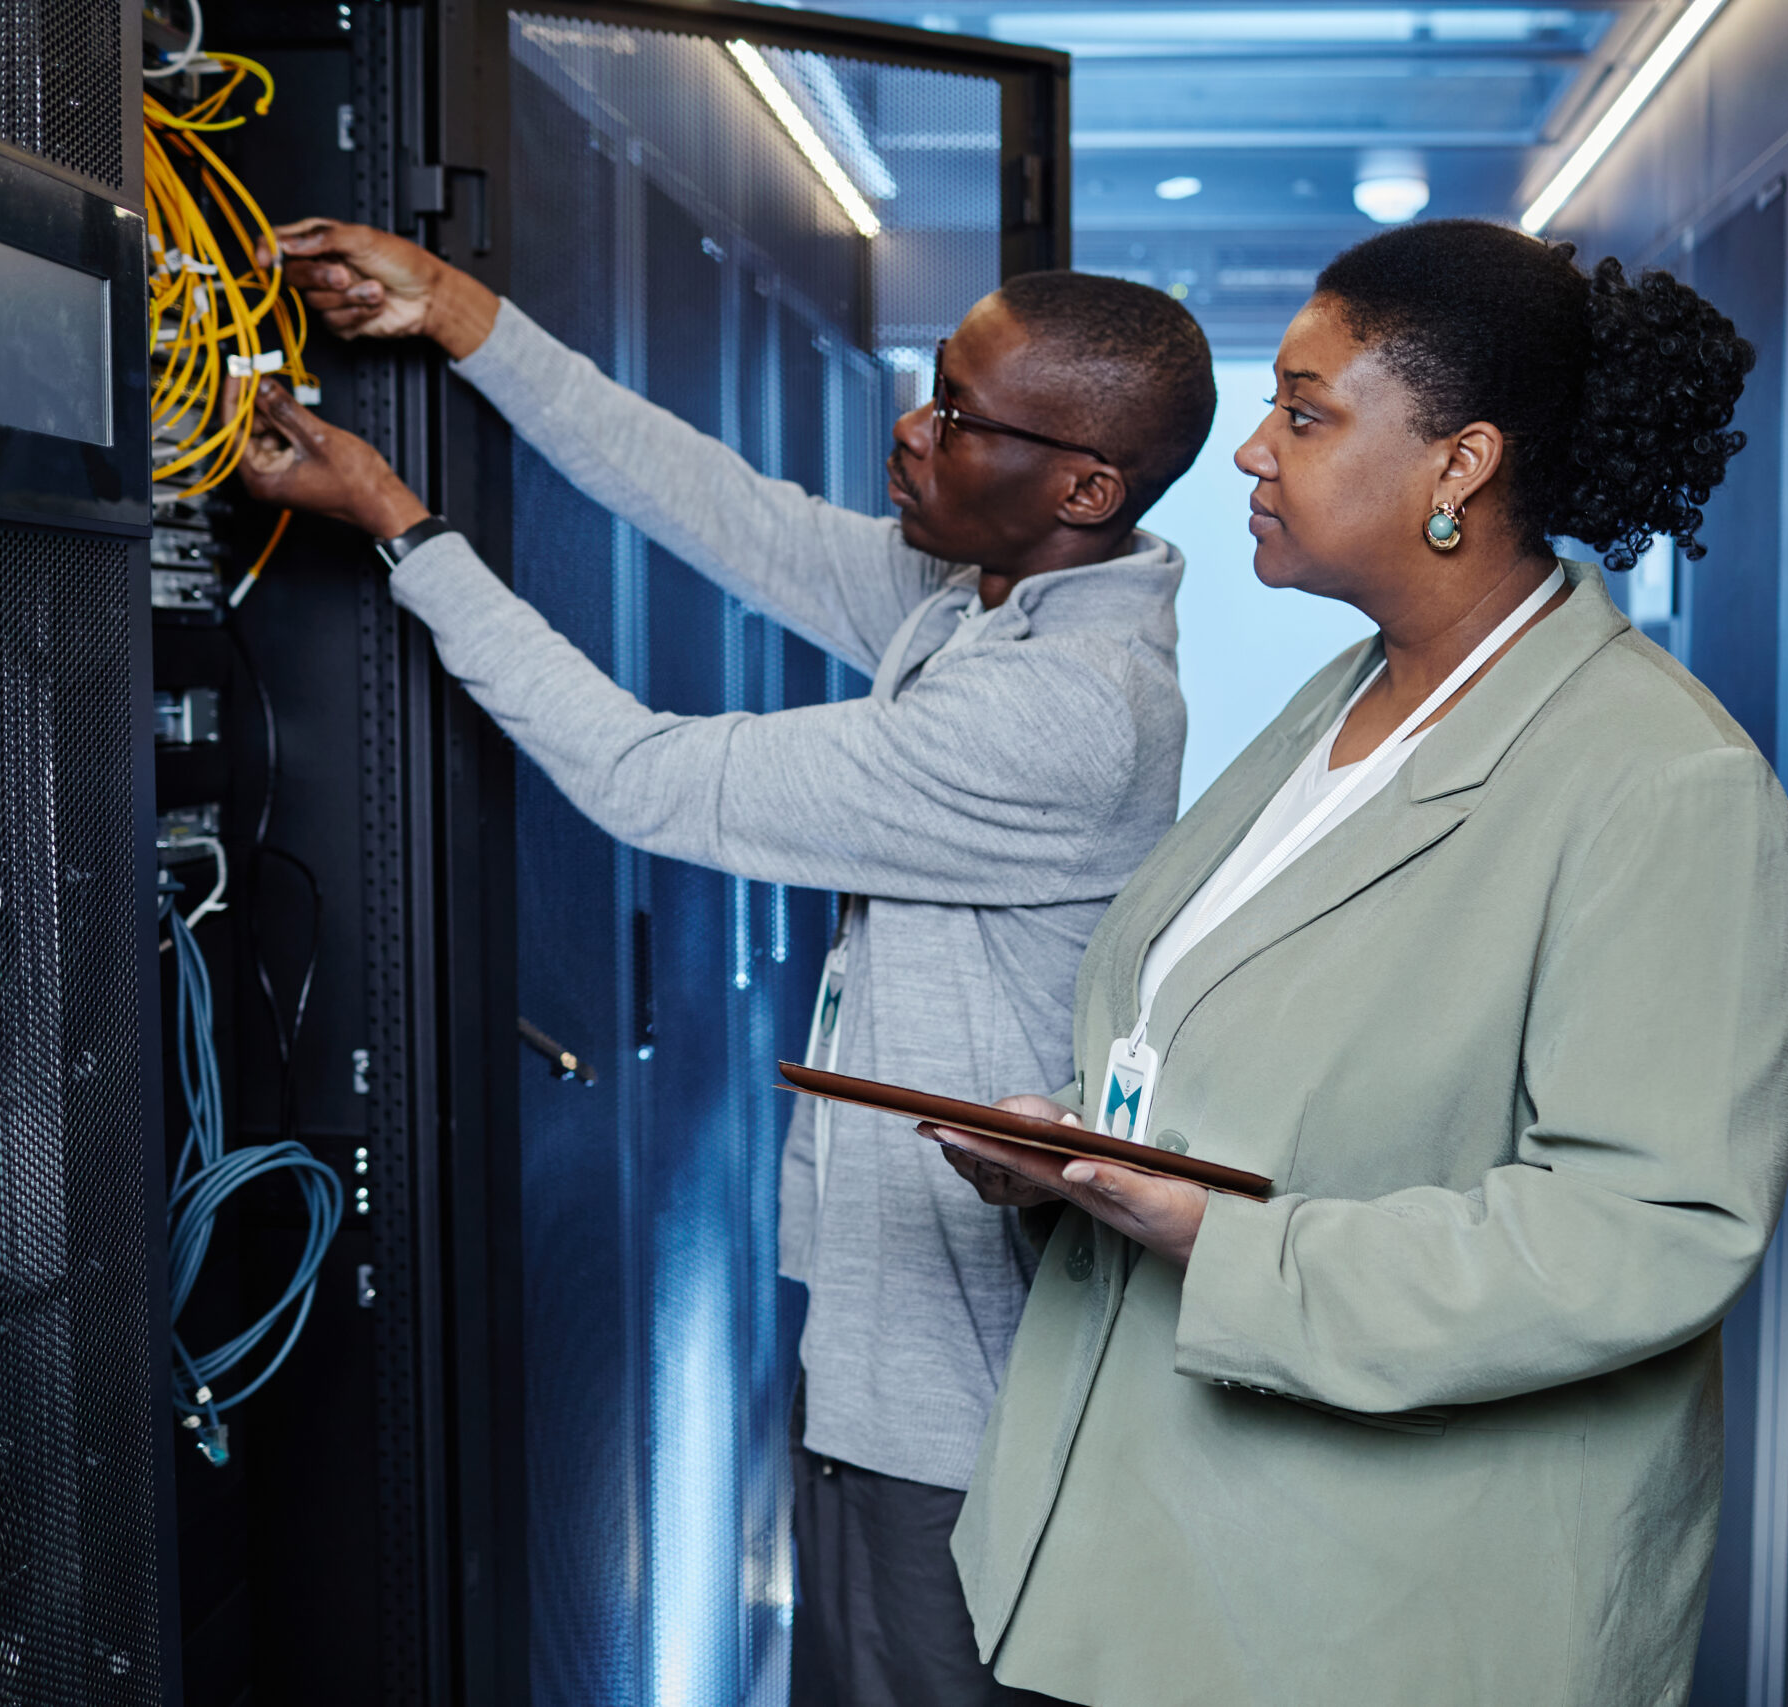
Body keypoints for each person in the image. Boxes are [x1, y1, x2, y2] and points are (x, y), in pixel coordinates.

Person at [226, 219, 1216, 1707]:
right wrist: (467, 317)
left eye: (959, 417)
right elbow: (728, 517)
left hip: (956, 1408)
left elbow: (644, 777)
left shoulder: (1062, 712)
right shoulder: (998, 600)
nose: (914, 428)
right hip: (897, 1363)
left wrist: (404, 533)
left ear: (1083, 487)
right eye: (932, 384)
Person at [926, 220, 1788, 1706]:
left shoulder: (1660, 782)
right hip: (1170, 1553)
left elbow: (1646, 1233)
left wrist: (1221, 1238)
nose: (1251, 453)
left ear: (1458, 465)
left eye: (1307, 411)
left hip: (1384, 1615)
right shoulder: (1345, 702)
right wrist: (1076, 1155)